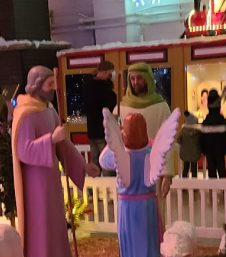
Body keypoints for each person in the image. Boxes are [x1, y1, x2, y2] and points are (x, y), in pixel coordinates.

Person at [11, 66, 101, 257]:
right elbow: (23, 150)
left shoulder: (49, 110)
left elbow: (63, 145)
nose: (52, 89)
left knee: (55, 223)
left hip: (50, 179)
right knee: (40, 224)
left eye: (53, 84)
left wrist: (83, 166)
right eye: (49, 84)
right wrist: (50, 140)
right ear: (37, 85)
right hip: (34, 183)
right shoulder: (25, 113)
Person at [100, 112, 173, 257]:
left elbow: (103, 159)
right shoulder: (151, 153)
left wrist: (116, 140)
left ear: (125, 134)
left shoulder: (119, 156)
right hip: (147, 209)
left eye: (124, 130)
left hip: (128, 210)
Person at [118, 63, 178, 199]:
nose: (135, 82)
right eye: (132, 78)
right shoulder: (121, 107)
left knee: (154, 207)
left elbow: (168, 140)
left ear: (148, 79)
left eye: (139, 78)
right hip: (129, 171)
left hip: (153, 169)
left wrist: (167, 174)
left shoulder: (161, 107)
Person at [83, 60, 117, 169]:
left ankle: (95, 179)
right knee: (107, 163)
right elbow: (111, 108)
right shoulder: (106, 90)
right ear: (106, 72)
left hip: (92, 131)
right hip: (104, 131)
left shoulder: (87, 87)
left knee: (95, 161)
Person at [199, 90, 226, 179]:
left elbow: (201, 139)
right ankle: (223, 187)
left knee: (211, 172)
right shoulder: (225, 122)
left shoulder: (205, 123)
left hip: (209, 152)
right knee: (222, 170)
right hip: (221, 151)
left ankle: (213, 188)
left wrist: (202, 151)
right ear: (219, 106)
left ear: (208, 106)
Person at [178, 111, 201, 178]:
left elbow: (178, 140)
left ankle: (184, 181)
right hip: (195, 153)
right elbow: (200, 141)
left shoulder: (183, 131)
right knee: (194, 169)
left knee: (186, 168)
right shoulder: (197, 131)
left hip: (185, 153)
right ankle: (194, 182)